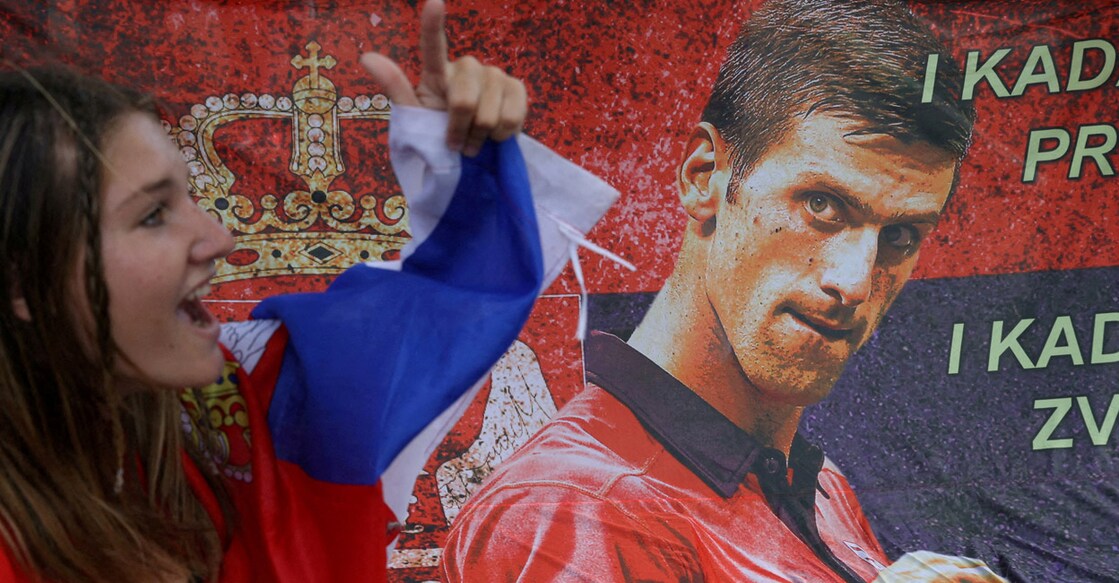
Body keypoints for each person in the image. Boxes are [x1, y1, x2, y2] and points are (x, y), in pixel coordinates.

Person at [0, 0, 617, 581]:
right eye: (153, 215)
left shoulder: (242, 405)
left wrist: (461, 174)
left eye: (190, 197)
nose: (218, 237)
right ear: (23, 283)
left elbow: (427, 323)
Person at [441, 1, 1005, 581]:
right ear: (704, 175)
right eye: (822, 205)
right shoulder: (573, 510)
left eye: (902, 235)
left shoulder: (819, 487)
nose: (855, 281)